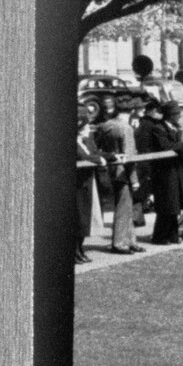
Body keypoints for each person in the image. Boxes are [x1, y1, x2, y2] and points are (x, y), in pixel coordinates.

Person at [132, 99, 183, 244]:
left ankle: (172, 234)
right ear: (170, 115)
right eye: (177, 114)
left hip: (176, 169)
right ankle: (160, 236)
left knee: (175, 203)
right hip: (164, 172)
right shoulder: (159, 128)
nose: (179, 116)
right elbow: (165, 146)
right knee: (167, 204)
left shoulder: (175, 127)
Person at [93, 95, 141, 254]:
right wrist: (134, 179)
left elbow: (97, 147)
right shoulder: (126, 128)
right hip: (123, 172)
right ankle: (120, 243)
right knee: (123, 207)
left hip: (109, 170)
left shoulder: (106, 125)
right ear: (132, 110)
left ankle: (131, 240)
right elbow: (129, 157)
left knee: (125, 205)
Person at [74, 99, 104, 263]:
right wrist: (97, 160)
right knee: (77, 219)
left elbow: (94, 152)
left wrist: (109, 156)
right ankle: (75, 252)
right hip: (77, 184)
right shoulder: (76, 142)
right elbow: (83, 157)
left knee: (84, 219)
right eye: (85, 127)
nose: (88, 130)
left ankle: (80, 249)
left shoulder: (87, 140)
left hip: (86, 182)